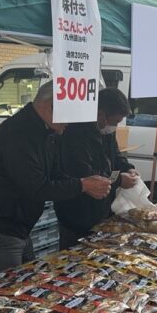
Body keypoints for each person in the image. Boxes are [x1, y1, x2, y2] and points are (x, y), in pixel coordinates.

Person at [0, 82, 111, 273]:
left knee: (25, 282)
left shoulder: (46, 131)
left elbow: (56, 173)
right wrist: (82, 185)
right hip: (1, 230)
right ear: (50, 107)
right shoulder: (18, 134)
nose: (70, 123)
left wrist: (87, 183)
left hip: (21, 228)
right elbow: (37, 187)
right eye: (68, 116)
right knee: (6, 291)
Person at [54, 87, 138, 249]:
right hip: (76, 213)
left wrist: (128, 168)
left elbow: (115, 156)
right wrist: (119, 179)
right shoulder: (74, 133)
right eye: (115, 122)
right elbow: (87, 174)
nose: (115, 127)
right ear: (101, 114)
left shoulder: (106, 131)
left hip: (102, 210)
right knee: (74, 257)